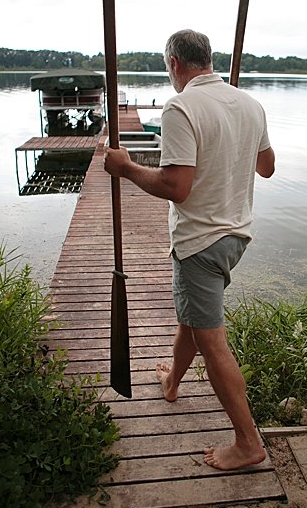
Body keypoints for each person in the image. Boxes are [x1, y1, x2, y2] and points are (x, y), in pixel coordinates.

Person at [104, 29, 275, 471]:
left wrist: (126, 168)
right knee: (192, 320)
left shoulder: (181, 106)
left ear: (175, 64)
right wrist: (233, 142)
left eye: (168, 67)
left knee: (211, 339)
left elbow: (176, 187)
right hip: (236, 236)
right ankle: (173, 382)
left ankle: (247, 442)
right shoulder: (250, 104)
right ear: (209, 60)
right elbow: (267, 166)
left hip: (200, 240)